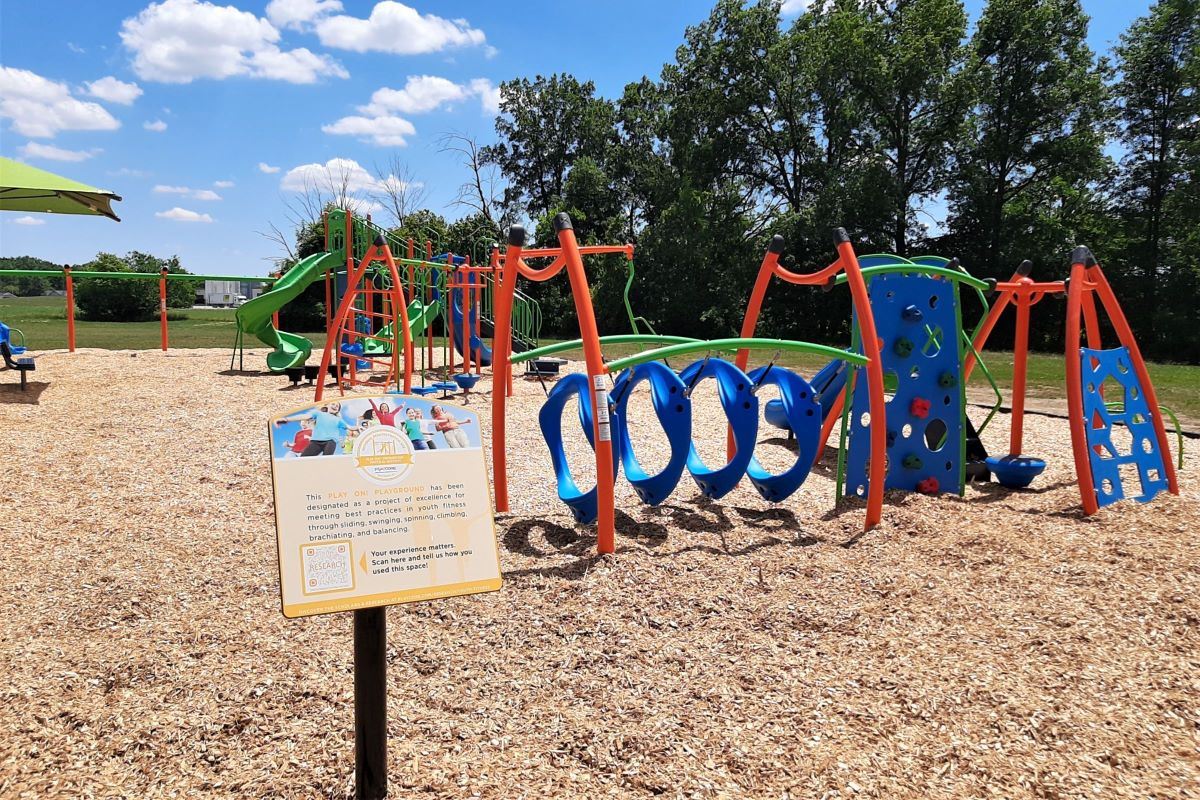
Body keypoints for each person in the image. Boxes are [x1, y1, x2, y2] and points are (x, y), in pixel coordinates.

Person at [275, 405, 348, 456]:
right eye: (302, 422)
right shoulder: (298, 433)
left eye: (305, 422)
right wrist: (288, 445)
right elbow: (296, 444)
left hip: (304, 451)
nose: (303, 424)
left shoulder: (316, 431)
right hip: (294, 452)